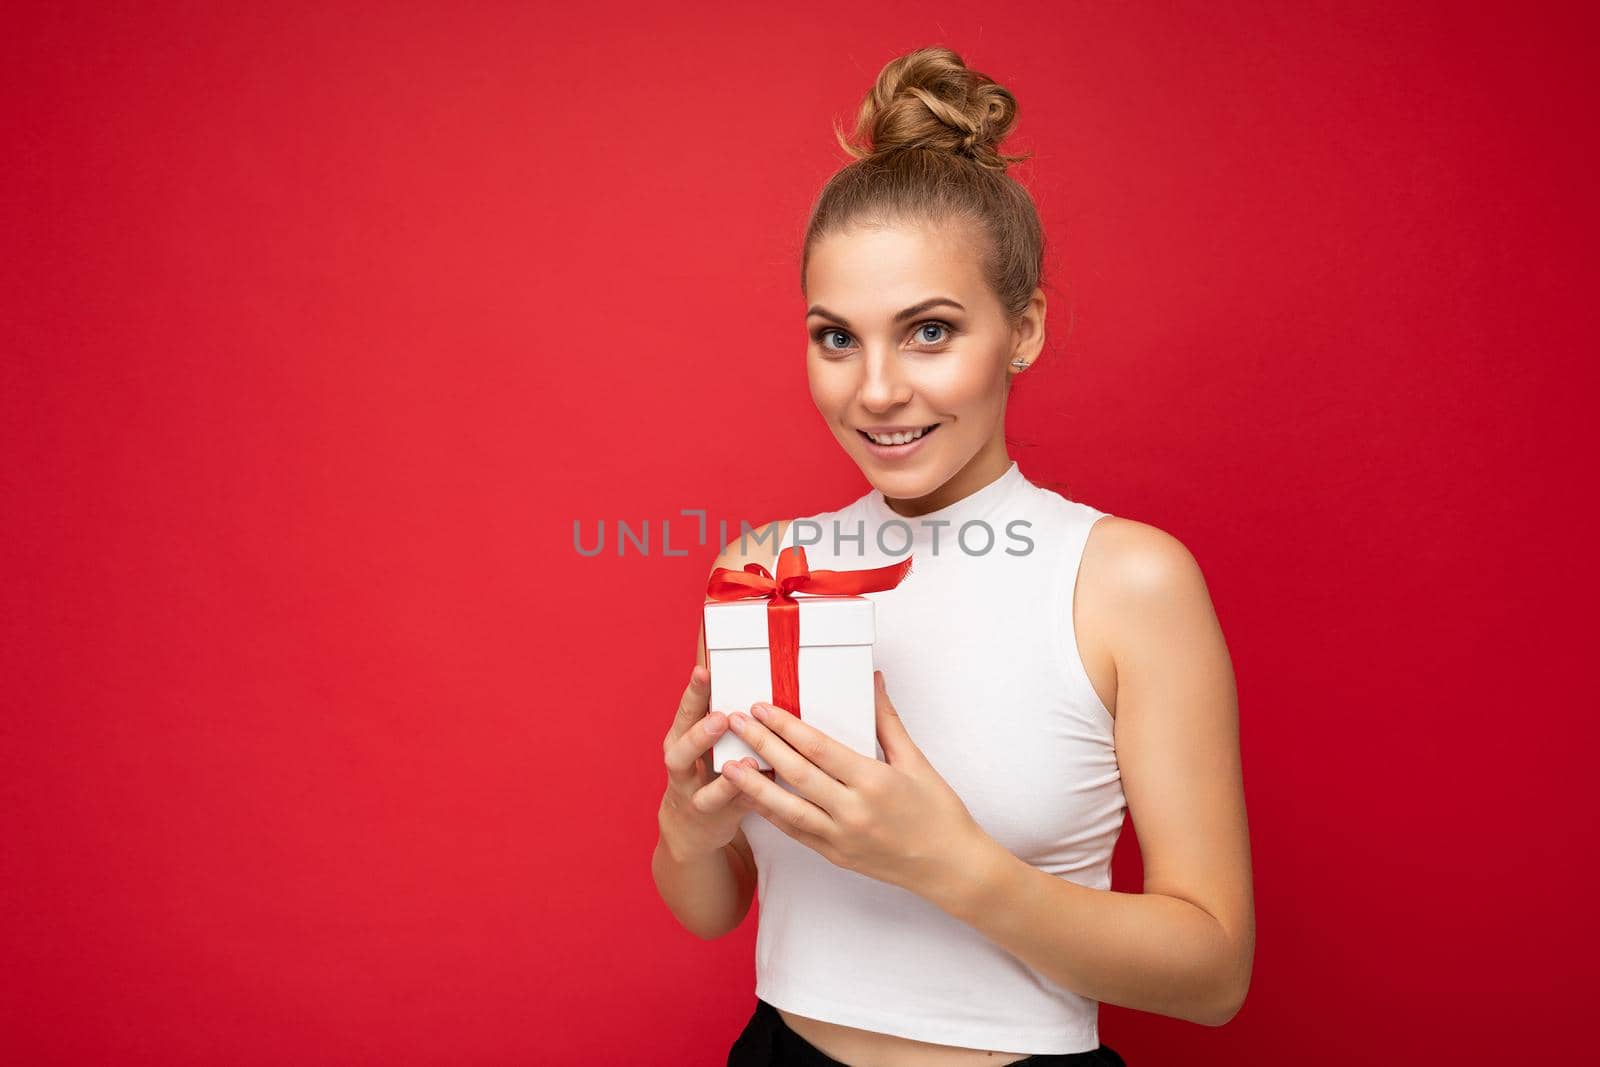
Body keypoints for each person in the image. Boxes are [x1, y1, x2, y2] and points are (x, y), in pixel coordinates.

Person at [652, 45, 1254, 1067]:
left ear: (1022, 331)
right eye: (835, 337)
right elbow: (711, 910)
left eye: (928, 331)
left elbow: (1213, 971)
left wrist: (947, 864)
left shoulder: (1124, 579)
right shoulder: (767, 564)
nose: (875, 389)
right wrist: (684, 821)